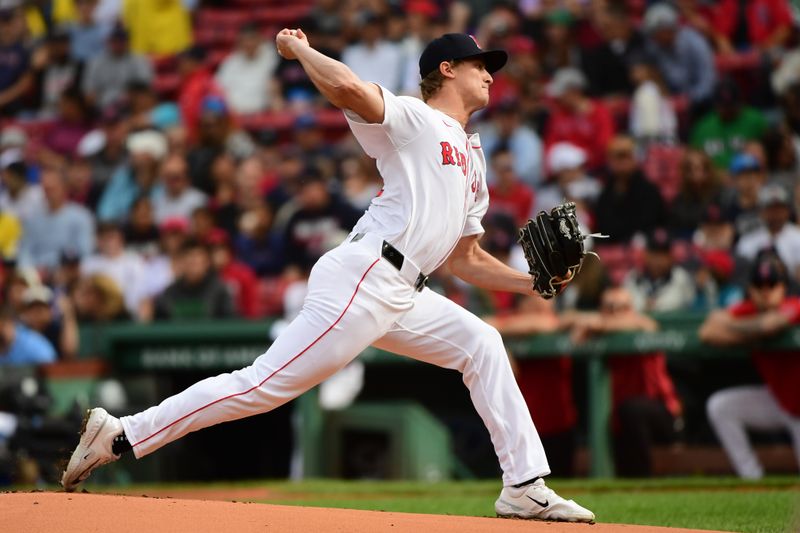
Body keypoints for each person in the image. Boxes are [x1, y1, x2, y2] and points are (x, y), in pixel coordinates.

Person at [61, 30, 595, 523]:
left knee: (482, 342)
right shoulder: (415, 119)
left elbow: (463, 259)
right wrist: (300, 50)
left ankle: (524, 485)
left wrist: (532, 284)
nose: (491, 74)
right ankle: (123, 432)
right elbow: (345, 86)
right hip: (365, 276)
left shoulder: (473, 160)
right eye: (481, 64)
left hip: (405, 292)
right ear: (447, 69)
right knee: (263, 386)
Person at [563, 286, 683, 477]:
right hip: (616, 419)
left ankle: (644, 479)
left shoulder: (641, 323)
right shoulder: (599, 327)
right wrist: (588, 322)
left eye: (623, 307)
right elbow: (565, 318)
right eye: (610, 308)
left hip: (662, 414)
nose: (617, 313)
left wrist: (596, 324)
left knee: (632, 409)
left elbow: (644, 324)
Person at [700, 251, 800, 478]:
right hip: (779, 399)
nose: (765, 291)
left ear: (783, 287)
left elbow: (772, 324)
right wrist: (750, 331)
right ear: (750, 288)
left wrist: (740, 330)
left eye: (772, 284)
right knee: (720, 406)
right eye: (759, 284)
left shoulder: (795, 304)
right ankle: (752, 477)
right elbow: (708, 330)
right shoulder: (748, 310)